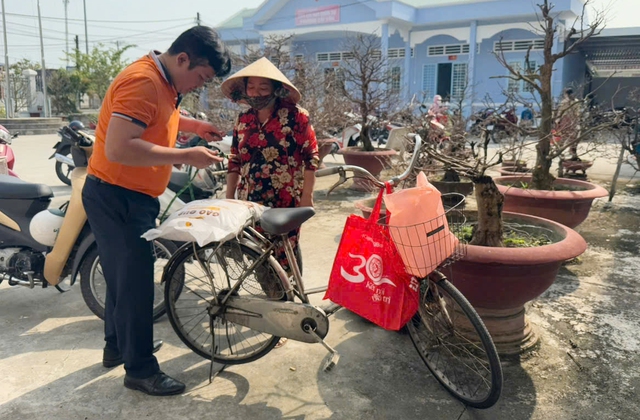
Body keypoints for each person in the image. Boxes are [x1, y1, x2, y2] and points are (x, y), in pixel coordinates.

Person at [81, 26, 231, 396]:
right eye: (201, 76)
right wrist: (186, 156)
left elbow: (156, 120)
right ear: (183, 59)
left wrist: (194, 126)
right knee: (135, 285)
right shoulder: (143, 82)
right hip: (118, 196)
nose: (199, 85)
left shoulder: (164, 83)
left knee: (121, 279)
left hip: (125, 194)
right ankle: (141, 370)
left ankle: (118, 347)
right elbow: (119, 147)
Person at [222, 57, 319, 274]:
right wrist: (229, 198)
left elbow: (311, 156)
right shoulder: (243, 119)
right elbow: (235, 158)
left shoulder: (296, 116)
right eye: (251, 87)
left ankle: (286, 300)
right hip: (250, 199)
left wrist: (307, 196)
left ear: (276, 89)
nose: (256, 93)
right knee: (258, 254)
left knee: (285, 254)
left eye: (263, 87)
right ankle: (271, 299)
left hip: (285, 199)